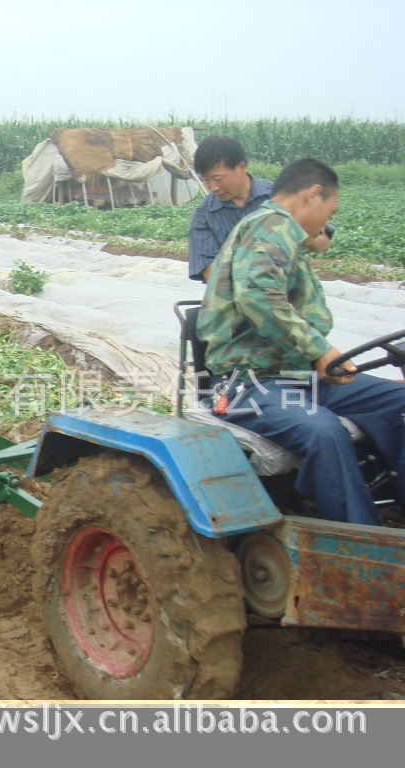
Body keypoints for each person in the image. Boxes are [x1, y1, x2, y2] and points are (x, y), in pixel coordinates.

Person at [197, 158, 405, 527]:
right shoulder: (269, 226)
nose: (328, 221)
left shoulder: (287, 236)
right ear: (314, 195)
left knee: (398, 400)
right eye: (331, 210)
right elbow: (258, 296)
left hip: (297, 377)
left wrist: (317, 356)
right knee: (324, 431)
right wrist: (320, 349)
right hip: (244, 382)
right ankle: (361, 539)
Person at [188, 136, 331, 283]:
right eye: (206, 180)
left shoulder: (282, 196)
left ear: (241, 167)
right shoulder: (204, 215)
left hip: (288, 294)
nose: (213, 187)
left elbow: (323, 243)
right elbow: (208, 272)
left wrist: (297, 234)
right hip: (237, 300)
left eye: (218, 179)